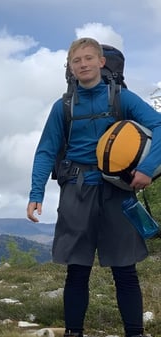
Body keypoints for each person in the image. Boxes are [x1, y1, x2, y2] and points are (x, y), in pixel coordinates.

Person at [27, 37, 161, 337]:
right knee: (77, 271)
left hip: (117, 191)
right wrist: (36, 194)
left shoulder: (122, 99)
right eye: (77, 60)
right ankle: (74, 333)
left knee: (125, 271)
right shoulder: (62, 106)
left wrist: (147, 169)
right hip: (76, 190)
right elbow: (46, 151)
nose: (83, 64)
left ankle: (135, 333)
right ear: (70, 68)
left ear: (102, 62)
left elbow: (160, 125)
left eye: (89, 58)